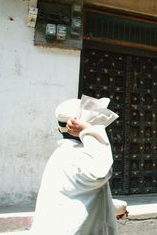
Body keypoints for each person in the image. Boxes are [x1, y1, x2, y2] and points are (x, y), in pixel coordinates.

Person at [31, 95, 125, 235]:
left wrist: (116, 208)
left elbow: (79, 196)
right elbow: (99, 174)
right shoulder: (76, 155)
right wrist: (90, 132)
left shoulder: (62, 154)